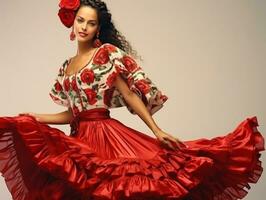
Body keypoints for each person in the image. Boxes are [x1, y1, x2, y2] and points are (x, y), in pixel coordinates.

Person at [0, 0, 264, 199]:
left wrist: (157, 130)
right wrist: (35, 117)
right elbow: (72, 114)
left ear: (98, 28)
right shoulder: (66, 67)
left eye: (91, 23)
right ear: (72, 21)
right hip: (78, 140)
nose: (84, 27)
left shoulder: (105, 54)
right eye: (81, 20)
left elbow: (128, 94)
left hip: (106, 137)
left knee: (120, 188)